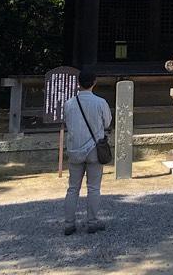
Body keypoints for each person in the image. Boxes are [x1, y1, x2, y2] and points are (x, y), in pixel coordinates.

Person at [63, 68, 112, 235]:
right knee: (93, 188)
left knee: (72, 188)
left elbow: (67, 123)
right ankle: (92, 221)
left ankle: (69, 223)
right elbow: (107, 123)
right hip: (93, 148)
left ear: (78, 83)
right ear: (94, 82)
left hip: (75, 149)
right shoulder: (100, 102)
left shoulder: (69, 104)